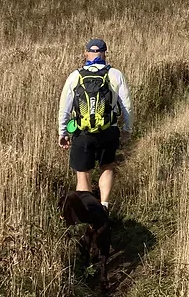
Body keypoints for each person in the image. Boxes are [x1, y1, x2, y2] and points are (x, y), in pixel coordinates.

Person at [57, 38, 133, 212]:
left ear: (86, 54)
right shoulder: (115, 74)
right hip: (108, 130)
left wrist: (63, 132)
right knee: (107, 166)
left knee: (83, 173)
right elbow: (127, 105)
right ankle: (104, 206)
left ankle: (88, 211)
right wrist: (127, 130)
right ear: (105, 53)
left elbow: (64, 108)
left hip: (82, 132)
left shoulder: (75, 76)